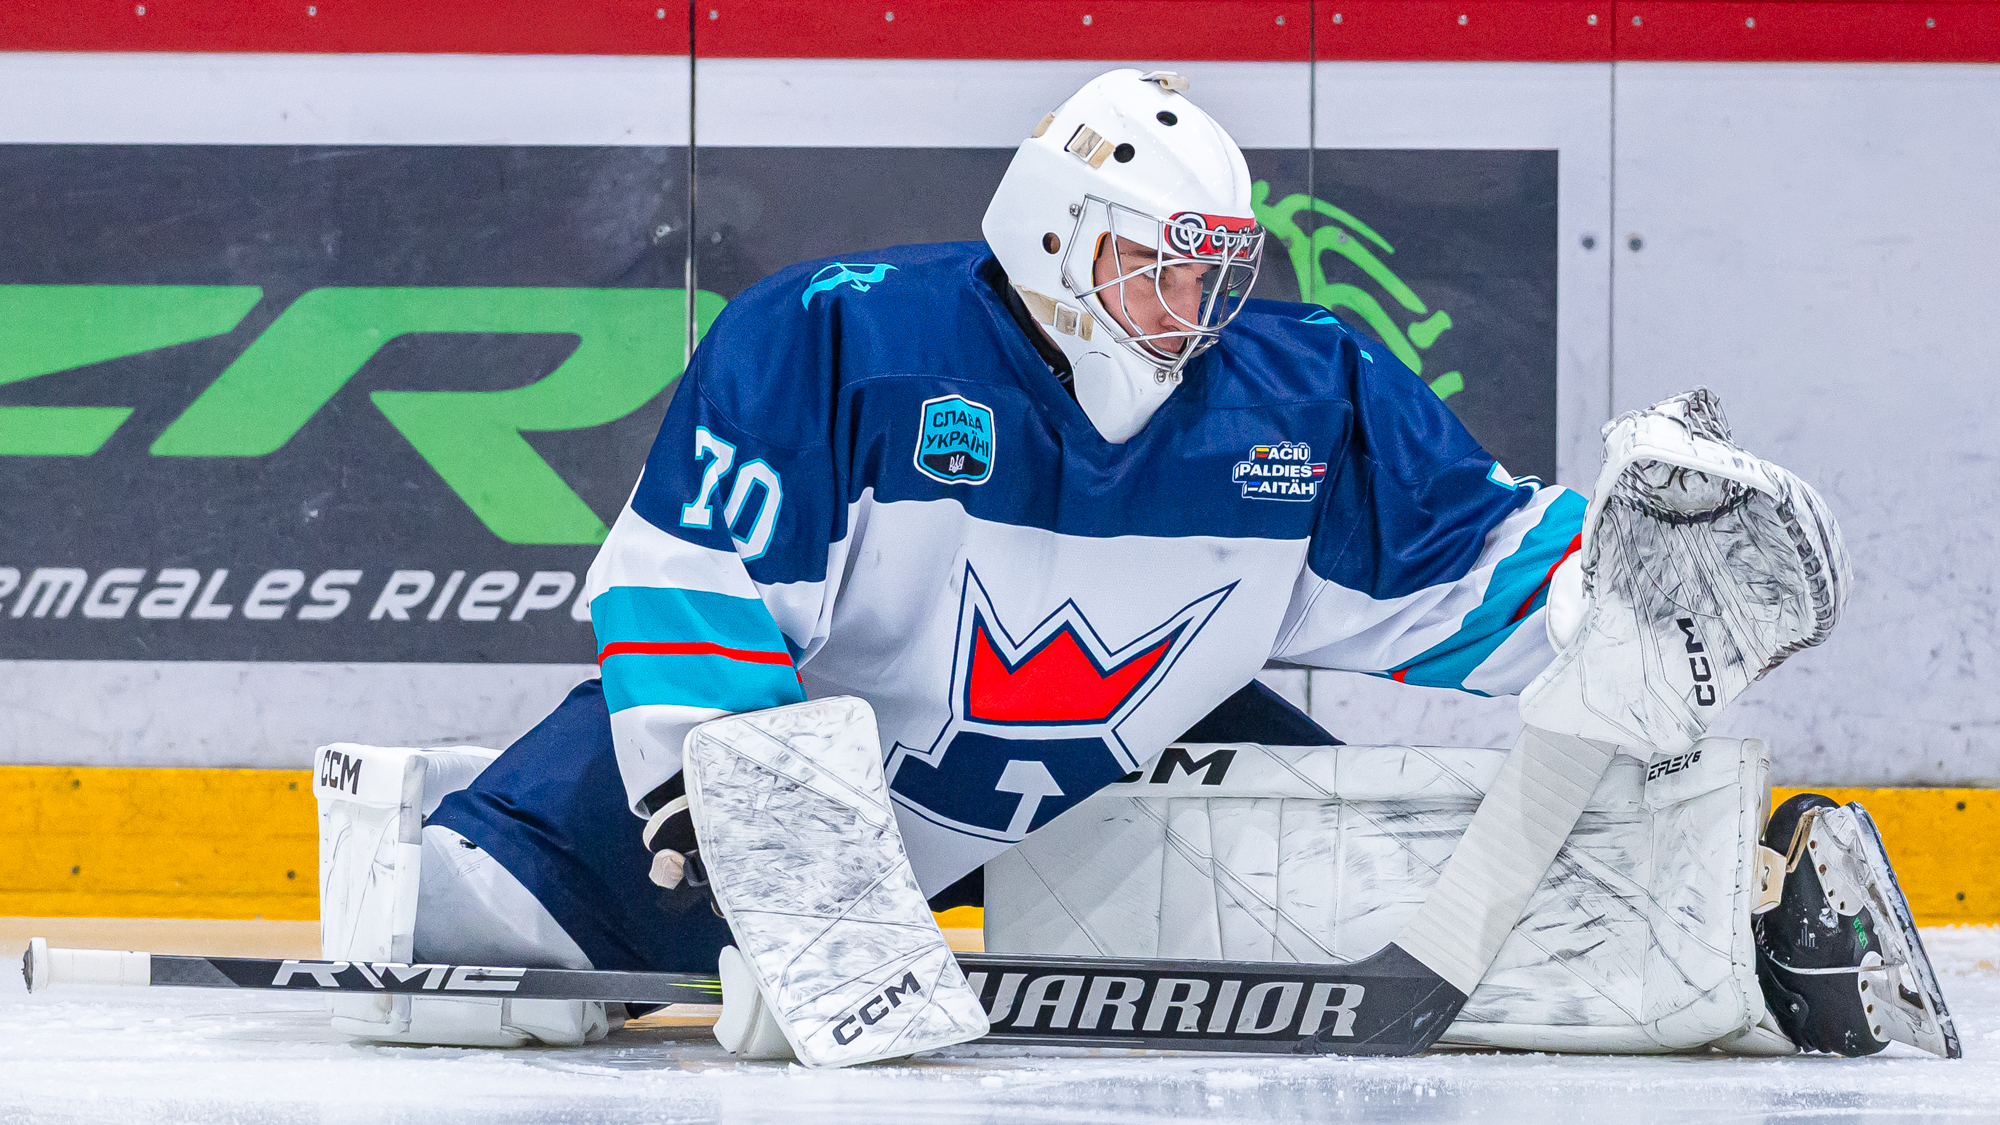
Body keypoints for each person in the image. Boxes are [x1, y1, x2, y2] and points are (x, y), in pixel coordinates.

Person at [387, 68, 1941, 1060]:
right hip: (815, 790)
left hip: (1089, 794)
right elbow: (692, 576)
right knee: (465, 923)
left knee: (1365, 884)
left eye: (1215, 273)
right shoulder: (846, 338)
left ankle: (1748, 917)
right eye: (1156, 266)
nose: (1192, 310)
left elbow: (1484, 576)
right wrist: (725, 797)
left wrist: (1628, 606)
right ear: (1057, 238)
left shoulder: (1296, 401)